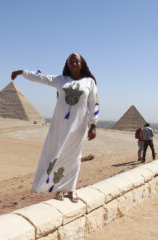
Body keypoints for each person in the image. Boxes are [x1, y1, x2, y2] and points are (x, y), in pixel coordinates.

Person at [11, 53, 99, 202]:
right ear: (67, 64)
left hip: (79, 126)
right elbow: (42, 78)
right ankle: (58, 189)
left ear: (82, 63)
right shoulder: (60, 80)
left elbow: (93, 103)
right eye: (71, 62)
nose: (74, 64)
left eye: (76, 62)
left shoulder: (90, 82)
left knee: (74, 157)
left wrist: (93, 125)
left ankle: (71, 189)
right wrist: (22, 72)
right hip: (61, 125)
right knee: (58, 155)